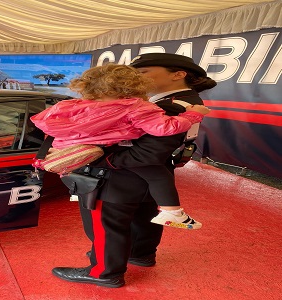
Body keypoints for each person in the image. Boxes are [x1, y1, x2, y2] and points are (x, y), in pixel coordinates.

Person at [50, 53, 217, 288]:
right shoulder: (179, 101)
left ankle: (102, 272)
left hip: (119, 177)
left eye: (142, 72)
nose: (133, 77)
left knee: (107, 226)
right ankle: (140, 254)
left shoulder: (167, 107)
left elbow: (148, 153)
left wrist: (97, 157)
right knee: (142, 219)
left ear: (178, 75)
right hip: (145, 178)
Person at [31, 63, 209, 230]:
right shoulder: (136, 107)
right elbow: (166, 127)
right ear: (134, 86)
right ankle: (172, 212)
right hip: (110, 151)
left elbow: (48, 124)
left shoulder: (70, 105)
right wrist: (194, 114)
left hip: (69, 148)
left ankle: (74, 184)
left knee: (98, 225)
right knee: (158, 175)